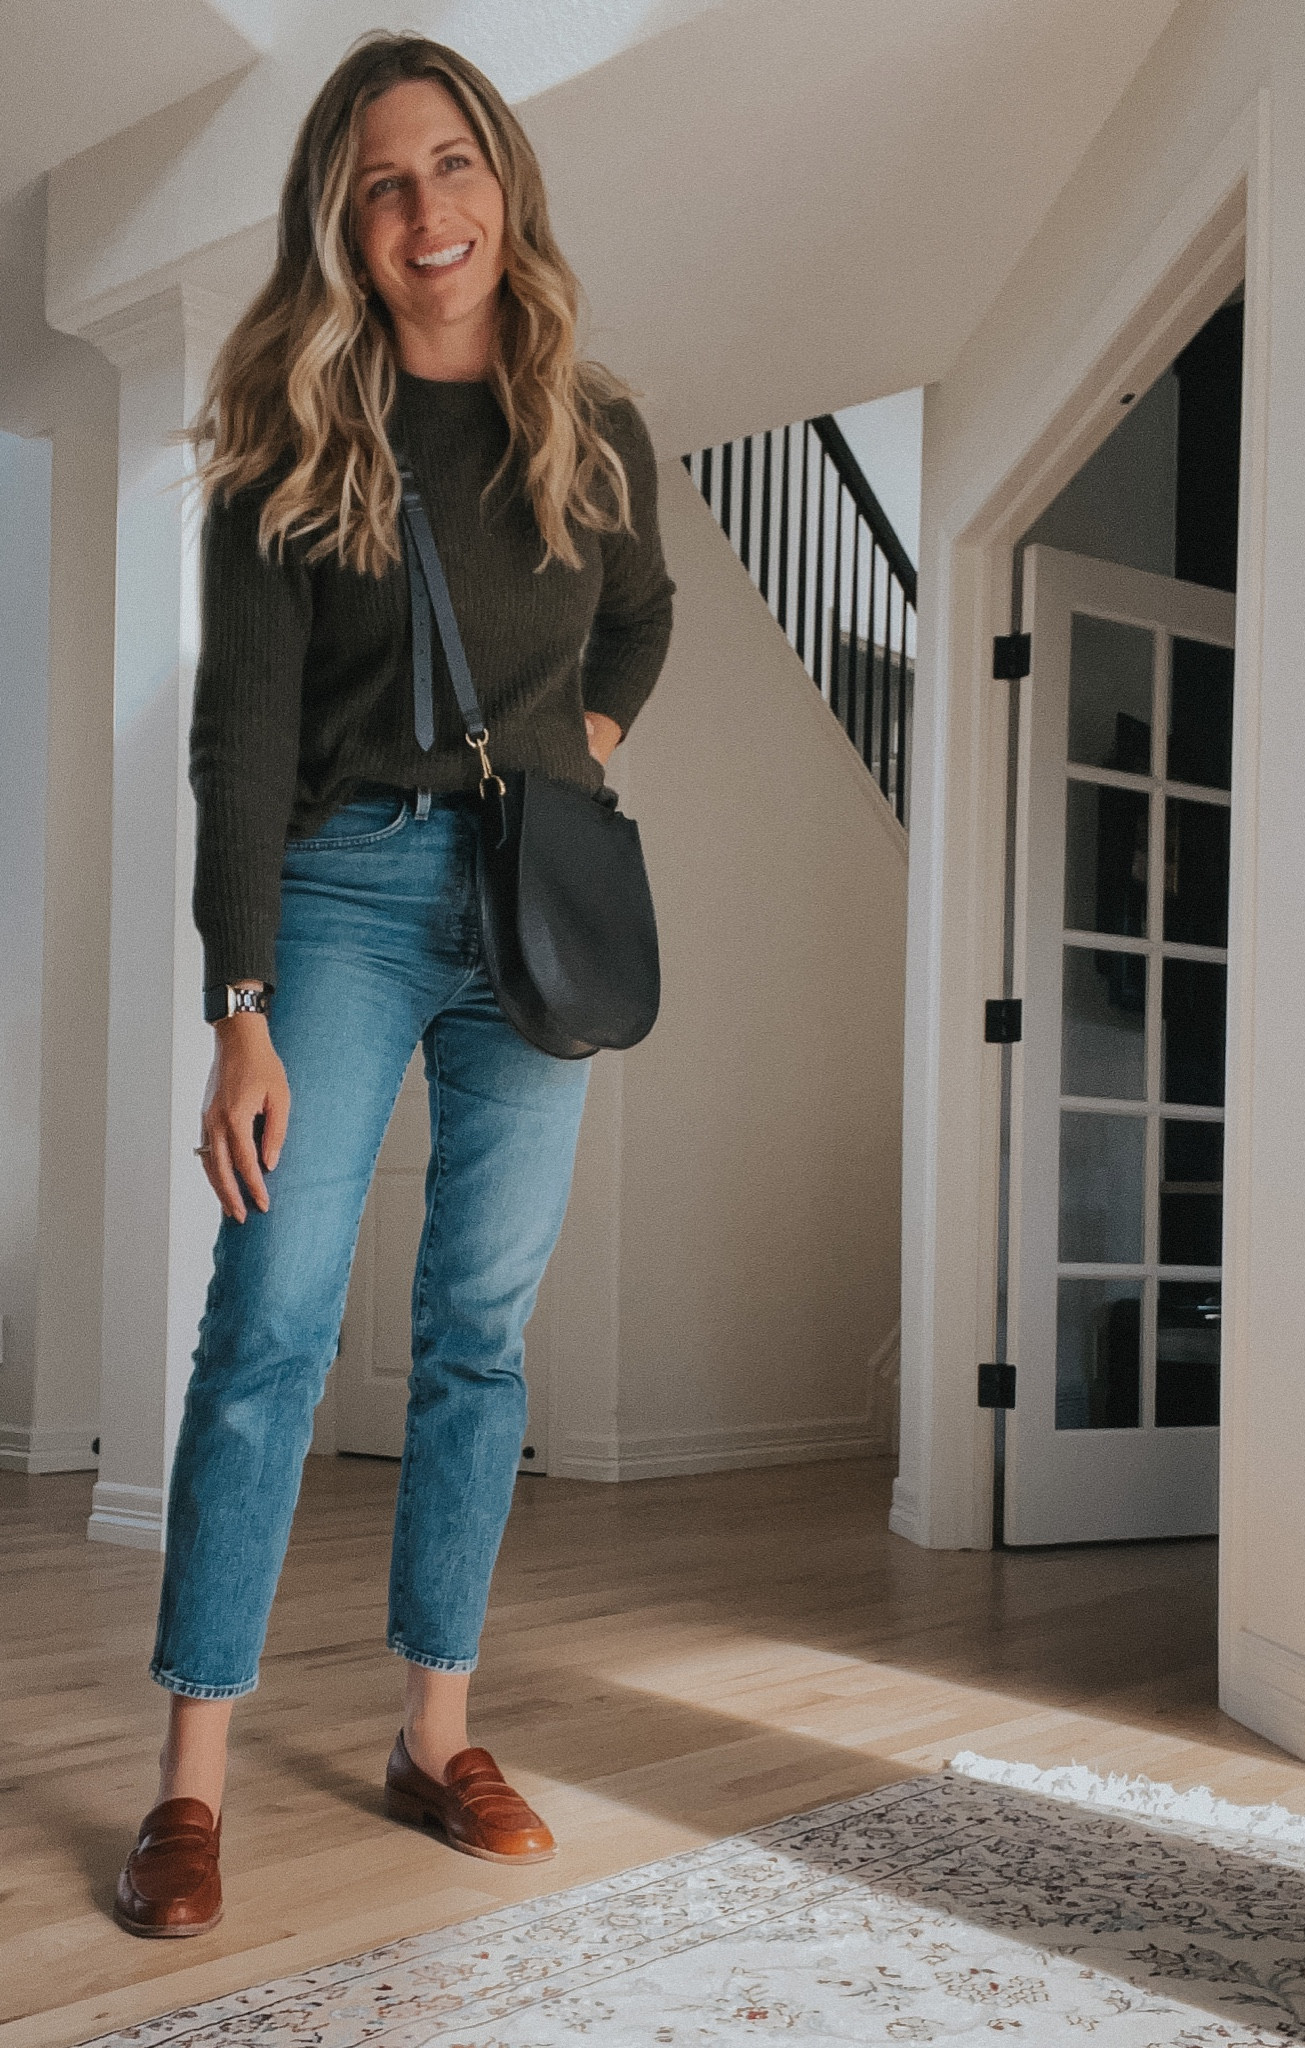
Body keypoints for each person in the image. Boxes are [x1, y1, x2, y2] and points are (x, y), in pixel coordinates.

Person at [114, 31, 674, 1938]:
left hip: (532, 913)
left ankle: (437, 1734)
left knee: (479, 1332)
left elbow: (644, 614)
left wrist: (575, 757)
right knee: (270, 1319)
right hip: (340, 896)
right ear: (341, 224)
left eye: (452, 165)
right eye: (381, 183)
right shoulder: (287, 442)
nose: (426, 210)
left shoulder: (594, 430)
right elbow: (239, 745)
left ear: (502, 181)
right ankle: (191, 1778)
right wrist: (241, 1005)